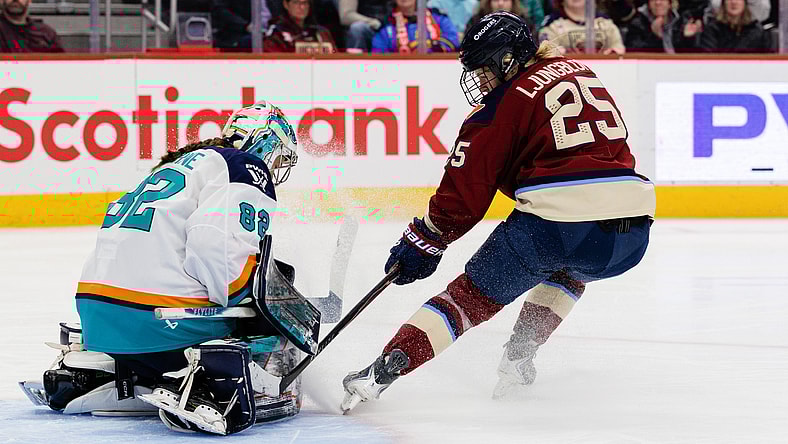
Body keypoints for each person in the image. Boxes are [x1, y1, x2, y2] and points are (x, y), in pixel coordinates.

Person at [341, 11, 655, 412]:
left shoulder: (502, 104)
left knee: (469, 299)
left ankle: (380, 372)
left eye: (485, 68)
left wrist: (427, 239)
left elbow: (465, 191)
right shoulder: (579, 71)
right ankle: (519, 358)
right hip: (631, 228)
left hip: (555, 226)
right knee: (573, 263)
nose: (480, 80)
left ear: (508, 59)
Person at [21, 101, 313, 435]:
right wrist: (251, 299)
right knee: (265, 315)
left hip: (98, 319)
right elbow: (213, 244)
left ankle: (105, 371)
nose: (275, 167)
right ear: (265, 141)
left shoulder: (180, 165)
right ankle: (204, 382)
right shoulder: (245, 166)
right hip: (157, 326)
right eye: (278, 157)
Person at [539, 0, 626, 54]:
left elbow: (618, 48)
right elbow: (547, 53)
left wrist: (613, 52)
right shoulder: (552, 25)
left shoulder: (605, 23)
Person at [371, 0, 460, 53]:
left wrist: (433, 49)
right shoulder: (388, 24)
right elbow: (379, 51)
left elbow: (452, 39)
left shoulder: (438, 17)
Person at [264, 0, 337, 54]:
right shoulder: (277, 33)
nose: (302, 7)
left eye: (305, 3)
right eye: (296, 2)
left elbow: (335, 57)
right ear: (286, 4)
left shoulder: (321, 33)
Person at [699, 0, 772, 52]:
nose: (734, 2)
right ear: (723, 3)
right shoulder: (712, 29)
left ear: (745, 3)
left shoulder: (757, 31)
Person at [466, 0, 538, 36]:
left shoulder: (525, 23)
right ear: (489, 2)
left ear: (513, 2)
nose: (500, 3)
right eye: (496, 0)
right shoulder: (476, 21)